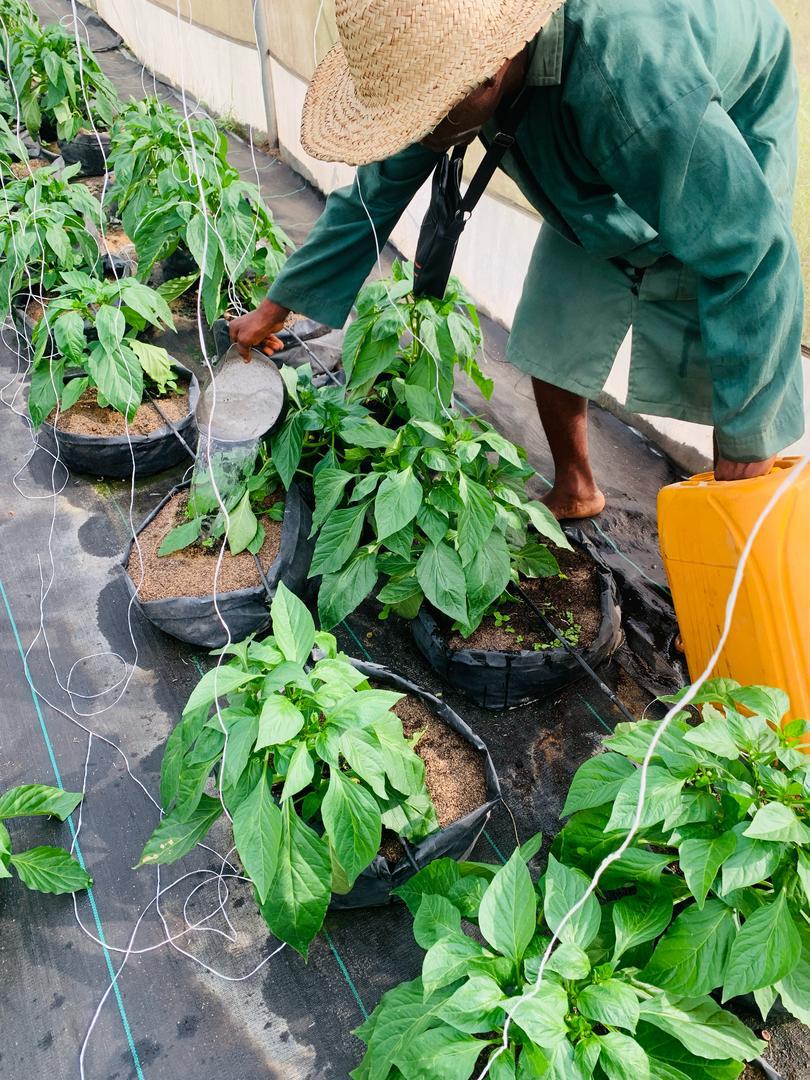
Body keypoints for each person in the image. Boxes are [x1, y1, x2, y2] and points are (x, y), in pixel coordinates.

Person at [230, 0, 805, 519]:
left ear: (492, 75)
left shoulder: (629, 71)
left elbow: (754, 255)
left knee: (722, 305)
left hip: (727, 100)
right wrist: (277, 307)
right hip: (598, 104)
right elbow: (370, 198)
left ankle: (740, 554)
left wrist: (744, 455)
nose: (418, 132)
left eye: (427, 114)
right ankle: (577, 487)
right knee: (554, 310)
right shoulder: (447, 62)